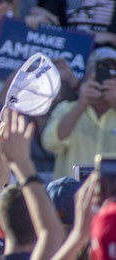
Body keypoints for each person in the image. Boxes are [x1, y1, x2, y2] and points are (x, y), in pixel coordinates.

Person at [42, 47, 116, 179]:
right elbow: (50, 143)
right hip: (71, 196)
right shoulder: (66, 108)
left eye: (113, 72)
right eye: (102, 71)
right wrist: (81, 104)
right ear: (88, 75)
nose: (108, 78)